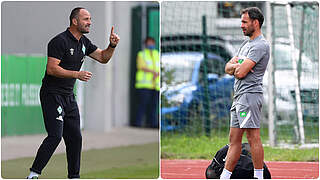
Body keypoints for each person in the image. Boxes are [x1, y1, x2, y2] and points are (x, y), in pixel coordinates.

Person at [27, 7, 120, 179]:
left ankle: (74, 177)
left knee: (75, 138)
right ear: (74, 21)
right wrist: (76, 74)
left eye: (90, 19)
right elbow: (51, 69)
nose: (90, 22)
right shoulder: (59, 41)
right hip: (52, 94)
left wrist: (112, 45)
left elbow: (103, 58)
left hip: (68, 96)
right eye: (86, 19)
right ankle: (33, 174)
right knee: (55, 136)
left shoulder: (84, 42)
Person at [220, 7, 270, 179]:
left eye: (244, 22)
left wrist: (237, 68)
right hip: (239, 98)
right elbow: (228, 67)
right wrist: (237, 67)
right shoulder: (245, 45)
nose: (241, 25)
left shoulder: (260, 45)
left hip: (249, 98)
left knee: (252, 137)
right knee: (233, 139)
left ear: (255, 23)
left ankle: (258, 176)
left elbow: (241, 73)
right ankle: (224, 177)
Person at [134, 37, 160, 128]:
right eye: (149, 43)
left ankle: (152, 124)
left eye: (152, 43)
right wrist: (154, 72)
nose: (151, 45)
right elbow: (141, 66)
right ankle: (138, 123)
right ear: (145, 44)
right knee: (142, 105)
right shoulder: (141, 54)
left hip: (155, 85)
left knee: (153, 106)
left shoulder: (157, 54)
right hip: (144, 85)